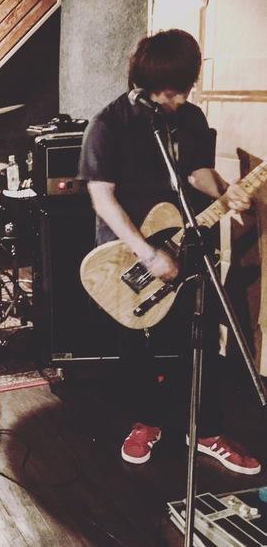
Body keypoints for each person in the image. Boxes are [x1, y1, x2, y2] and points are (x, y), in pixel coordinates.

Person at [79, 28, 260, 474]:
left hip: (186, 240)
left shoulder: (190, 118)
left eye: (183, 90)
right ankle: (145, 423)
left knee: (198, 337)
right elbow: (102, 198)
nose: (177, 100)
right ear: (144, 85)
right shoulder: (108, 124)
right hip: (129, 252)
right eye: (168, 93)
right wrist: (147, 254)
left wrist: (226, 191)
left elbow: (197, 172)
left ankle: (207, 431)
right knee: (138, 343)